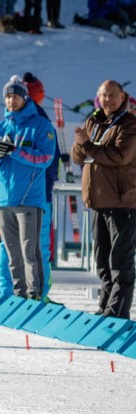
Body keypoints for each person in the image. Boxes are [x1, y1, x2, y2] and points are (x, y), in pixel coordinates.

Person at [0, 75, 56, 300]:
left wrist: (15, 151)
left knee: (31, 252)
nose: (12, 101)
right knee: (12, 254)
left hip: (30, 199)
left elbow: (45, 157)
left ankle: (36, 295)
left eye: (16, 96)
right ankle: (19, 294)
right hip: (4, 200)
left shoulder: (41, 125)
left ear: (25, 98)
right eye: (8, 96)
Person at [71, 80, 136, 319]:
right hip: (98, 202)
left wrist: (87, 144)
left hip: (122, 202)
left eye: (112, 95)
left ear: (122, 97)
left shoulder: (129, 124)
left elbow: (120, 156)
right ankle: (105, 308)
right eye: (103, 95)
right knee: (102, 262)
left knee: (121, 262)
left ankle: (117, 313)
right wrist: (81, 144)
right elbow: (78, 158)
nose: (107, 100)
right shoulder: (93, 121)